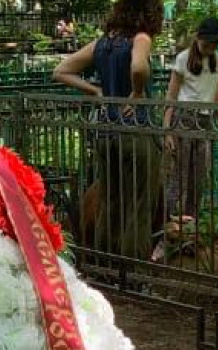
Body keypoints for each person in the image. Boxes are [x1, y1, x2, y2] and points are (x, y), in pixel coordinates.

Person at [54, 0, 165, 260]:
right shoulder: (141, 38)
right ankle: (132, 268)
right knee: (138, 206)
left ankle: (105, 265)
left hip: (106, 134)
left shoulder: (101, 44)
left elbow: (61, 70)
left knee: (110, 202)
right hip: (136, 132)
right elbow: (138, 67)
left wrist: (96, 91)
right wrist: (137, 92)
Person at [163, 17, 218, 225]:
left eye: (214, 44)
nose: (210, 48)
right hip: (184, 119)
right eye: (206, 43)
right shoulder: (183, 58)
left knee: (199, 178)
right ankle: (165, 222)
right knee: (179, 177)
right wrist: (167, 130)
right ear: (198, 38)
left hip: (205, 120)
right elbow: (171, 96)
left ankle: (191, 225)